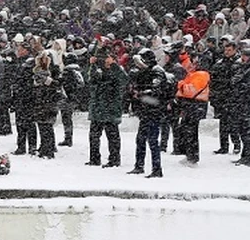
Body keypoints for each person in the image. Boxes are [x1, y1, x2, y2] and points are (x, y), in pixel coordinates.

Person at [127, 48, 171, 178]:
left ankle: (156, 169)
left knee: (152, 140)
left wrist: (140, 93)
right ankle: (139, 166)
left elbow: (155, 89)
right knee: (140, 139)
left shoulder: (157, 71)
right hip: (145, 110)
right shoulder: (144, 72)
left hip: (154, 111)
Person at [86, 46, 129, 168]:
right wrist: (92, 65)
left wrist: (114, 65)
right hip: (97, 107)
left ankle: (114, 159)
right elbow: (90, 81)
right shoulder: (98, 70)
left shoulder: (117, 70)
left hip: (111, 108)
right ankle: (94, 158)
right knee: (94, 135)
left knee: (112, 136)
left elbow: (124, 80)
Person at [174, 53, 210, 165]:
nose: (192, 65)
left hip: (195, 106)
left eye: (195, 63)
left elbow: (190, 91)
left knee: (191, 132)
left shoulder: (201, 75)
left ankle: (192, 157)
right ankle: (189, 154)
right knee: (186, 131)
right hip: (191, 106)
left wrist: (180, 83)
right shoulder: (193, 74)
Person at [31, 45, 64, 158]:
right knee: (42, 125)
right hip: (40, 101)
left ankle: (49, 148)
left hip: (49, 101)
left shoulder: (54, 70)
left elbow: (58, 83)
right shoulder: (37, 70)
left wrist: (49, 82)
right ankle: (44, 146)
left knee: (47, 126)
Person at [210, 39, 241, 154]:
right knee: (223, 123)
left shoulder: (238, 63)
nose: (227, 52)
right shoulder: (220, 63)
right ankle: (223, 146)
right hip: (222, 97)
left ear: (235, 50)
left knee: (233, 123)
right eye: (226, 50)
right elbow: (214, 78)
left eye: (229, 50)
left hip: (232, 97)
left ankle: (236, 144)